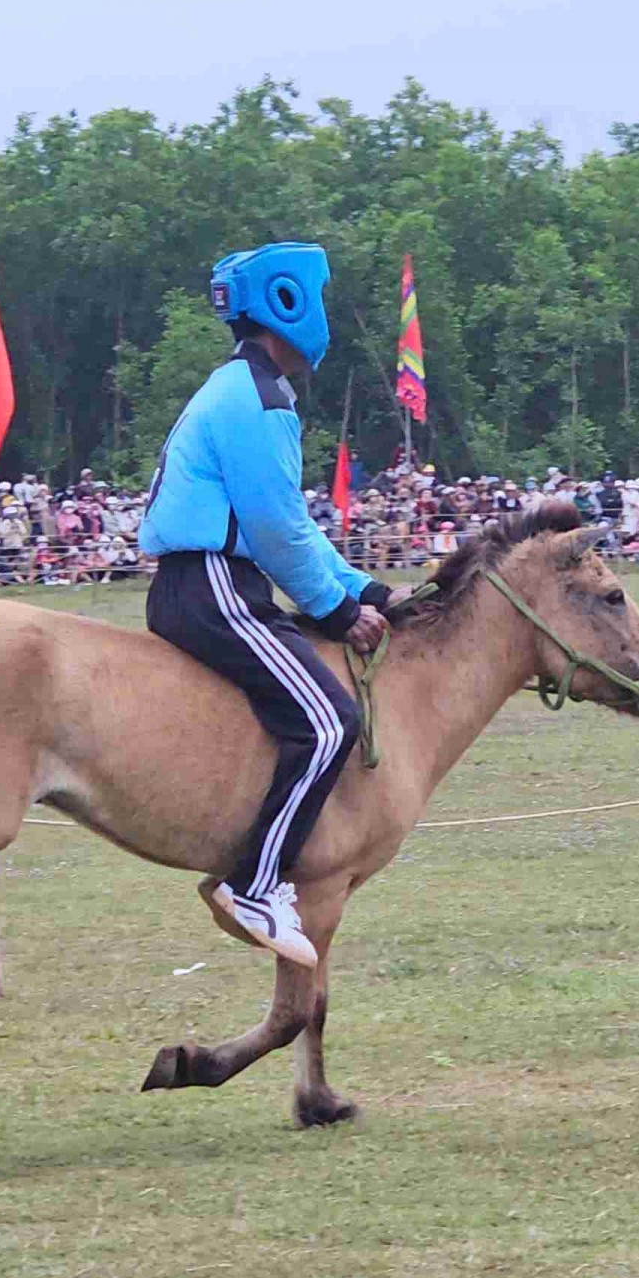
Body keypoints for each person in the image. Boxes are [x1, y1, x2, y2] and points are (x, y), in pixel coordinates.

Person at [138, 242, 393, 967]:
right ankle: (254, 883)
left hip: (211, 581)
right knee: (327, 720)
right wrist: (341, 614)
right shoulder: (260, 398)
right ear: (290, 304)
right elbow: (278, 531)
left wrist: (363, 591)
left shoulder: (242, 387)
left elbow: (294, 526)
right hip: (213, 584)